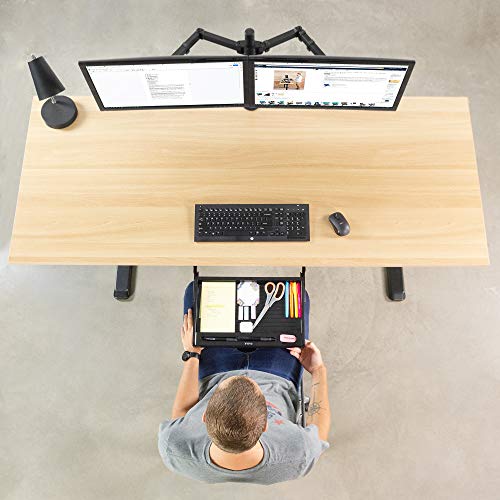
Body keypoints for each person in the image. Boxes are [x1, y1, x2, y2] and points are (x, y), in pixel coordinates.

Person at [158, 282, 331, 484]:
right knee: (297, 296)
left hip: (215, 371)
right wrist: (318, 370)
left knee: (196, 292)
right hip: (278, 375)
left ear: (204, 417)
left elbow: (182, 412)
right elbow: (319, 431)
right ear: (265, 424)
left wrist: (192, 354)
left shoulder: (174, 447)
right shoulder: (299, 454)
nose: (247, 376)